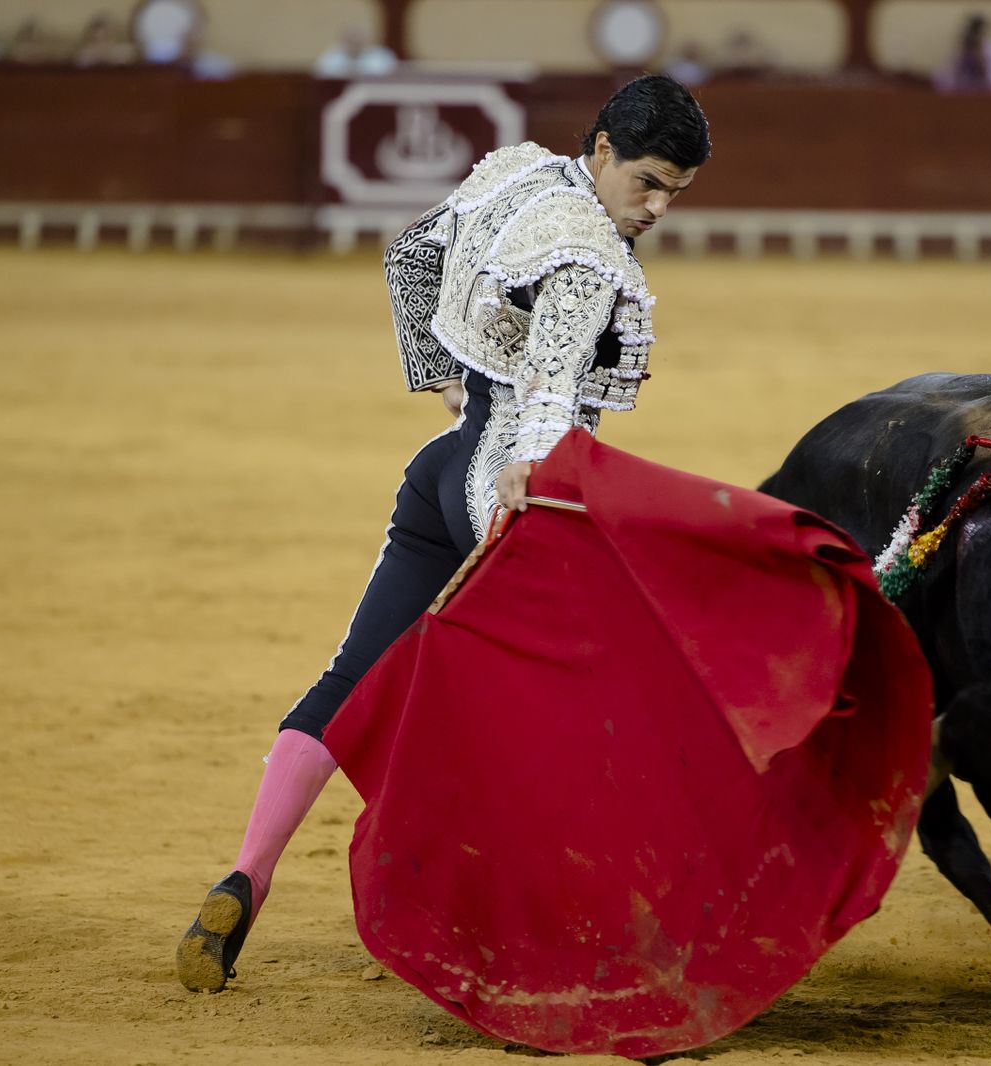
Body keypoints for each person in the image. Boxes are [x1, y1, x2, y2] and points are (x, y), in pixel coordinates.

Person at [175, 74, 711, 995]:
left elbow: (411, 256)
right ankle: (568, 933)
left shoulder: (515, 176)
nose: (657, 208)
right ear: (605, 149)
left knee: (351, 681)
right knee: (592, 712)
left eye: (676, 193)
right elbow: (549, 391)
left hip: (437, 473)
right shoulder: (589, 257)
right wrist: (527, 482)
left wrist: (444, 377)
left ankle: (245, 876)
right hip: (517, 503)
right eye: (650, 182)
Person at [933, 15, 991, 94]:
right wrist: (959, 65)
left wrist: (983, 67)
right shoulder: (959, 53)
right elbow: (942, 84)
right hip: (962, 100)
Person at [313, 26, 397, 78]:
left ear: (366, 40)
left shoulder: (381, 56)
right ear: (343, 40)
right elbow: (321, 73)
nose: (354, 43)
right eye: (351, 40)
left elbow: (389, 74)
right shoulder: (331, 56)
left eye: (358, 39)